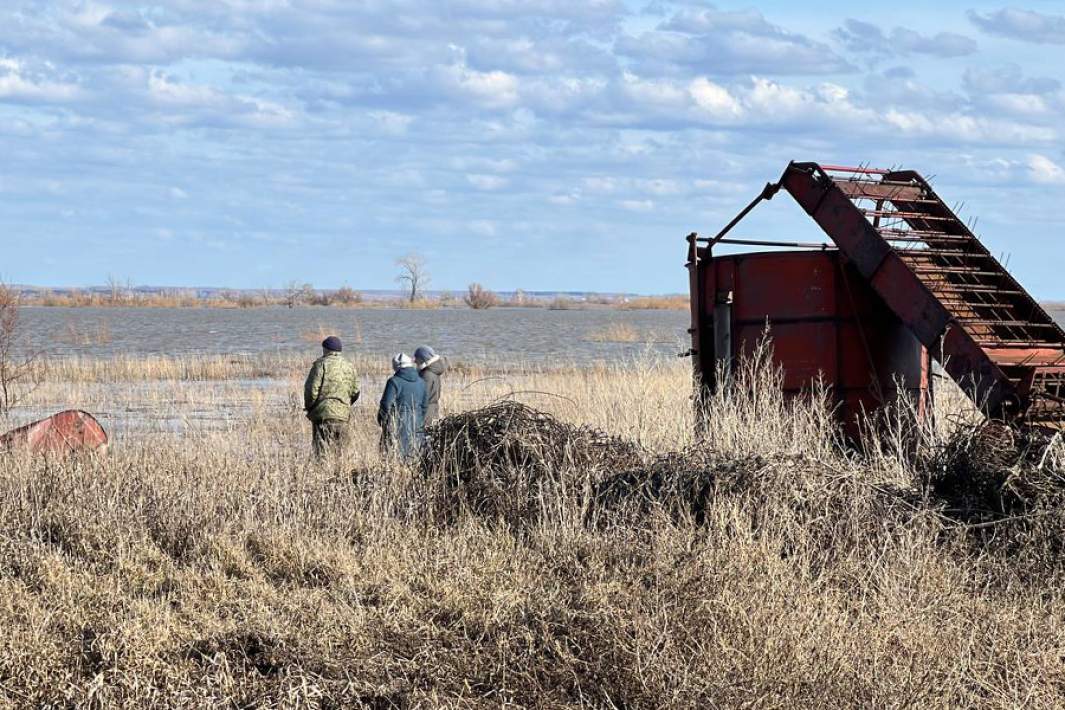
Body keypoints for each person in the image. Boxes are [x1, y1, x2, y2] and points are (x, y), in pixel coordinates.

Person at [303, 335, 360, 458]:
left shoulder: (320, 365)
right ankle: (340, 474)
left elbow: (311, 390)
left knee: (321, 453)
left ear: (325, 349)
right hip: (342, 416)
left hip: (322, 415)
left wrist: (310, 407)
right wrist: (346, 405)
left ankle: (323, 475)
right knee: (341, 454)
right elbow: (356, 392)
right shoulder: (350, 366)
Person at [378, 352, 428, 459]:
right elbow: (424, 406)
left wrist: (383, 421)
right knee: (415, 454)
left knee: (393, 455)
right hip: (417, 424)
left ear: (396, 366)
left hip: (397, 423)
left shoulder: (394, 382)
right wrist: (420, 420)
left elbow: (385, 405)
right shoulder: (421, 382)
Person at [414, 345, 448, 425]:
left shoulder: (427, 374)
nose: (414, 361)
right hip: (433, 409)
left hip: (427, 412)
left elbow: (423, 396)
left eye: (417, 358)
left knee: (425, 434)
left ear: (423, 358)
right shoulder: (432, 371)